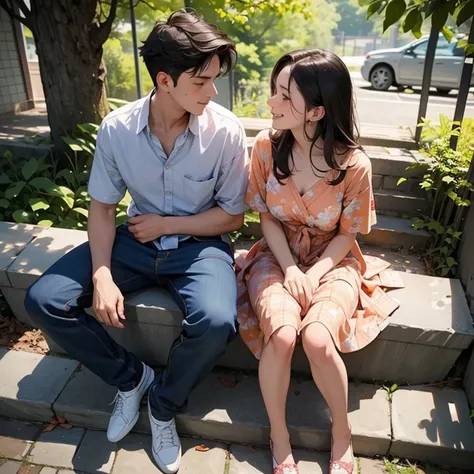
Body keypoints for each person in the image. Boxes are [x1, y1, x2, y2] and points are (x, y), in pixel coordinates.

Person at [24, 9, 249, 474]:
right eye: (202, 81)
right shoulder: (118, 129)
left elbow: (232, 215)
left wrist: (168, 226)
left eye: (215, 80)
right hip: (134, 242)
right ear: (165, 80)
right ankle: (132, 378)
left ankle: (163, 404)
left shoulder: (225, 131)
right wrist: (103, 275)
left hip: (197, 245)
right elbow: (103, 209)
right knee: (44, 299)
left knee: (217, 319)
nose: (213, 91)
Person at [236, 49, 403, 474]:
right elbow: (266, 216)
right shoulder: (265, 146)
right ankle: (280, 437)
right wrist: (291, 268)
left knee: (315, 337)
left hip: (334, 259)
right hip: (275, 255)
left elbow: (347, 234)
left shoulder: (353, 166)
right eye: (275, 92)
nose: (271, 103)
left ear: (316, 111)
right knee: (283, 330)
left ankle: (341, 433)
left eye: (283, 96)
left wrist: (314, 272)